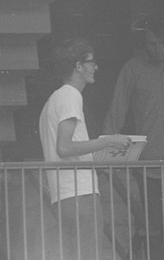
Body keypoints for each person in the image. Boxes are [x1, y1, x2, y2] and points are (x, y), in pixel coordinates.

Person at [102, 14, 164, 259]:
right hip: (148, 160)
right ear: (144, 42)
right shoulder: (132, 68)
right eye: (151, 43)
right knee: (151, 223)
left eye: (163, 43)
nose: (157, 49)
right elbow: (117, 110)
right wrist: (103, 154)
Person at [39, 37, 132, 260]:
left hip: (66, 194)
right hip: (79, 193)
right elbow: (65, 147)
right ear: (78, 66)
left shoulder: (55, 99)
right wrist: (109, 141)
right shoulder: (70, 95)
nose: (95, 67)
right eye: (91, 62)